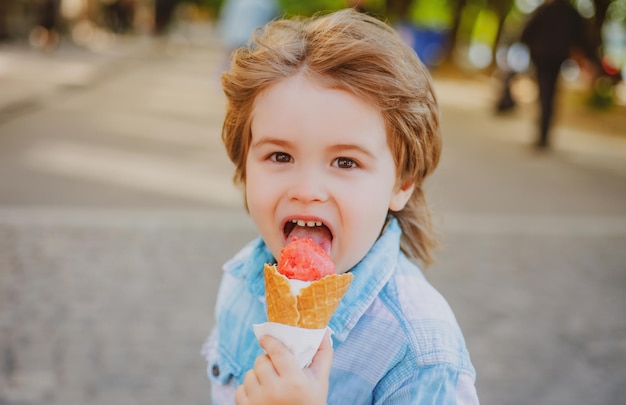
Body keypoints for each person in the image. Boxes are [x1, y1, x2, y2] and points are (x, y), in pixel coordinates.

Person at [202, 9, 478, 404]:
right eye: (279, 156)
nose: (307, 190)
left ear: (401, 184)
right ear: (243, 165)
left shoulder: (420, 353)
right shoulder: (240, 282)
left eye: (345, 162)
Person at [520, 0, 598, 149]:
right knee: (551, 94)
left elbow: (525, 32)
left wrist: (533, 48)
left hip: (541, 58)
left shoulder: (544, 9)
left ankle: (542, 133)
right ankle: (544, 134)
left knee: (544, 93)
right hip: (557, 58)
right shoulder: (571, 12)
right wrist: (588, 58)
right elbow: (581, 36)